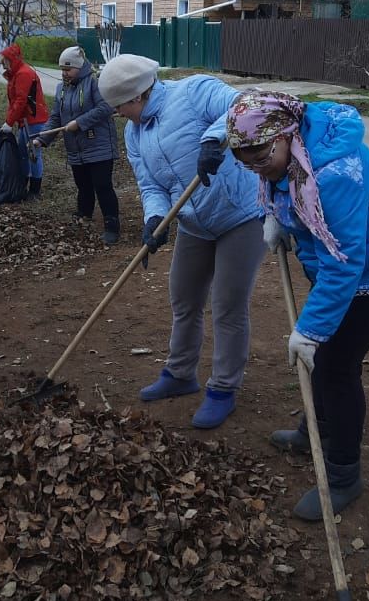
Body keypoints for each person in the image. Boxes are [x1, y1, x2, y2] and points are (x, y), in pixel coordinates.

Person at [226, 89, 369, 521]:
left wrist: (310, 329)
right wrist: (277, 219)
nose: (255, 166)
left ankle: (342, 476)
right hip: (343, 267)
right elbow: (280, 185)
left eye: (260, 155)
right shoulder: (285, 149)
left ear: (286, 136)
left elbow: (345, 262)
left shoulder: (334, 173)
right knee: (321, 358)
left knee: (335, 365)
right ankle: (313, 429)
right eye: (244, 159)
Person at [98, 54, 264, 429]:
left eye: (119, 107)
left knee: (227, 305)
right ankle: (180, 373)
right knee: (184, 297)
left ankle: (223, 389)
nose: (119, 115)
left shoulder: (193, 92)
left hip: (242, 215)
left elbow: (246, 104)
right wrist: (155, 218)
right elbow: (150, 184)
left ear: (137, 95)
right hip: (194, 222)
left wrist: (213, 138)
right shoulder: (134, 133)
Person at [33, 45, 120, 246]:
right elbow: (56, 117)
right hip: (76, 148)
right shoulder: (61, 89)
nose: (64, 73)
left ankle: (112, 226)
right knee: (83, 185)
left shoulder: (94, 83)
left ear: (79, 68)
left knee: (102, 186)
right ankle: (84, 214)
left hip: (99, 145)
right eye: (62, 69)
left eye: (67, 69)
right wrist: (42, 139)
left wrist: (79, 123)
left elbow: (106, 107)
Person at [0, 43, 49, 200]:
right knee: (23, 154)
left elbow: (20, 101)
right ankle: (23, 184)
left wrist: (9, 122)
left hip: (33, 121)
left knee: (33, 154)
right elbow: (15, 101)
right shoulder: (18, 73)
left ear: (9, 60)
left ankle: (34, 190)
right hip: (26, 120)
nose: (3, 66)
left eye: (3, 62)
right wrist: (11, 120)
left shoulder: (23, 74)